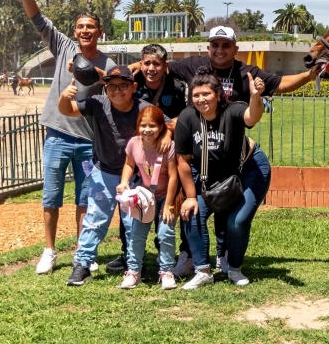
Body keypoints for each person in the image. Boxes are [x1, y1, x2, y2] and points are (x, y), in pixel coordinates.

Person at [131, 25, 318, 281]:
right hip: (199, 153)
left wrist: (309, 75)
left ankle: (224, 256)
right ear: (208, 48)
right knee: (191, 205)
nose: (219, 50)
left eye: (225, 45)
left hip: (233, 155)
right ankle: (191, 257)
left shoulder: (245, 73)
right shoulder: (193, 66)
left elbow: (273, 92)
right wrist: (133, 67)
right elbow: (158, 66)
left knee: (228, 211)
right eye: (215, 45)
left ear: (235, 48)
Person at [12, 0, 117, 276]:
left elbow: (115, 86)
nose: (85, 31)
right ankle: (49, 250)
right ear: (75, 31)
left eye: (91, 27)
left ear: (100, 32)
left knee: (85, 200)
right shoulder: (62, 46)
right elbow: (36, 17)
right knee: (51, 196)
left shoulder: (108, 62)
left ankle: (83, 254)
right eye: (80, 26)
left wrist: (89, 71)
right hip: (57, 134)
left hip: (88, 141)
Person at [58, 65, 171, 286]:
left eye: (123, 86)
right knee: (95, 220)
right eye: (111, 86)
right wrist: (64, 97)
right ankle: (82, 264)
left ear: (134, 87)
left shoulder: (144, 108)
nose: (117, 91)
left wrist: (167, 133)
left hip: (135, 176)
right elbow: (67, 110)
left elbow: (167, 122)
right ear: (105, 88)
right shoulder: (98, 103)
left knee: (132, 224)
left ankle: (134, 266)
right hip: (104, 172)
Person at [175, 68, 265, 290]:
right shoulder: (187, 117)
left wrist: (255, 97)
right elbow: (183, 161)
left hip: (249, 169)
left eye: (206, 94)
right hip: (214, 178)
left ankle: (234, 268)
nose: (201, 99)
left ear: (218, 94)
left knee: (237, 221)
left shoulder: (232, 111)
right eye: (196, 95)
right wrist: (189, 197)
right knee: (191, 213)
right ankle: (203, 271)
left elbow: (251, 117)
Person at [106, 44, 187, 275]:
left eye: (157, 64)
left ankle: (166, 259)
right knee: (131, 210)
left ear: (165, 66)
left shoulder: (176, 87)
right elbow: (111, 86)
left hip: (164, 150)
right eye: (147, 63)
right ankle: (127, 255)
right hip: (137, 148)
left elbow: (183, 116)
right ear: (141, 64)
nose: (151, 68)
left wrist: (168, 131)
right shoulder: (132, 83)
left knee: (167, 212)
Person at [115, 106, 179, 290]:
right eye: (143, 125)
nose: (147, 130)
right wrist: (124, 181)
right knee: (136, 234)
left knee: (165, 233)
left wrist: (168, 205)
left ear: (161, 127)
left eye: (152, 125)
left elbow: (174, 177)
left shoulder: (168, 146)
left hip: (167, 196)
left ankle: (166, 271)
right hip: (145, 196)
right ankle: (134, 271)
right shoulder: (134, 143)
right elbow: (129, 164)